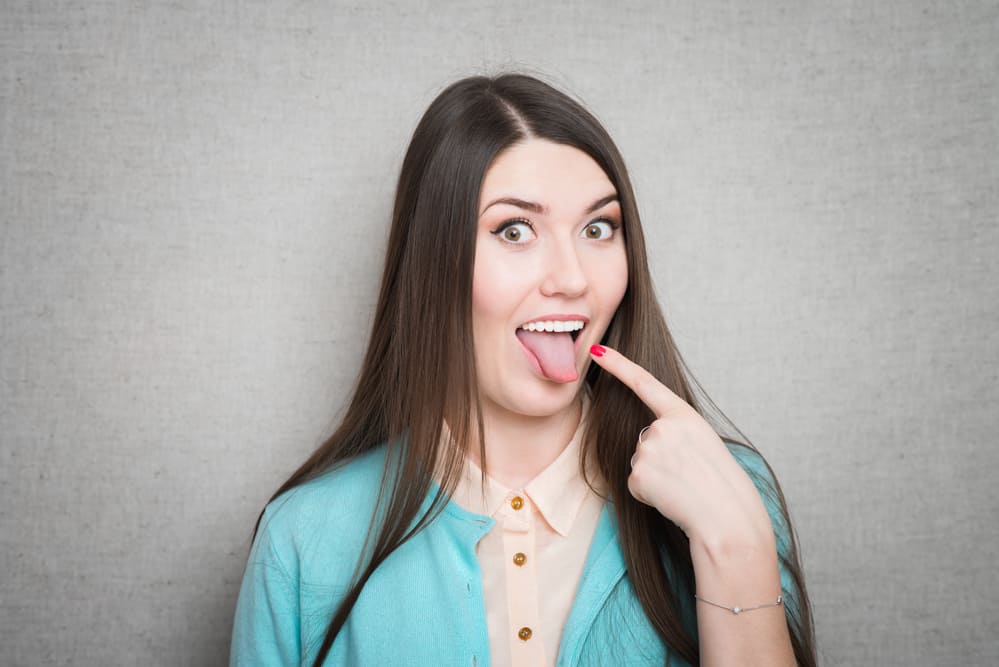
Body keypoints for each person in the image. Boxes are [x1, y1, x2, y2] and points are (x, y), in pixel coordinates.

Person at [229, 73, 816, 666]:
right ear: (434, 261)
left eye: (597, 228)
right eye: (515, 230)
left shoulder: (730, 493)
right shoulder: (302, 540)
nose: (572, 278)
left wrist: (734, 552)